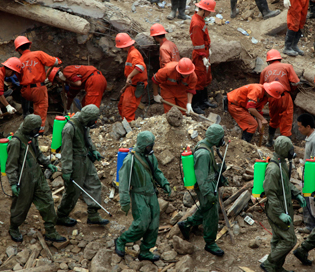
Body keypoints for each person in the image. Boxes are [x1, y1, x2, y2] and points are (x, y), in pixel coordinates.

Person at [6, 114, 65, 243]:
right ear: (30, 128)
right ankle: (14, 227)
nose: (38, 131)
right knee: (21, 206)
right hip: (24, 179)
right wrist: (13, 183)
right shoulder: (16, 142)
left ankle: (51, 231)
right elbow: (11, 166)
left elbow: (37, 153)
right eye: (36, 129)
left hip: (37, 176)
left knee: (47, 201)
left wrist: (47, 163)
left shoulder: (31, 137)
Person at [116, 131, 171, 261]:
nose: (150, 149)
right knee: (141, 224)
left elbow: (156, 171)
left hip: (151, 194)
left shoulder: (150, 156)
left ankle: (145, 250)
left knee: (153, 224)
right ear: (142, 145)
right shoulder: (130, 160)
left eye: (151, 146)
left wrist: (164, 183)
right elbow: (123, 183)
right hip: (138, 195)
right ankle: (121, 240)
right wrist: (124, 202)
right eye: (148, 146)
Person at [56, 105, 109, 226]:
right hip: (75, 162)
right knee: (72, 191)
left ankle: (93, 214)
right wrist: (67, 170)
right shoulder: (69, 128)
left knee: (94, 183)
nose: (94, 122)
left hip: (86, 158)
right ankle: (62, 215)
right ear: (87, 118)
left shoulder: (84, 123)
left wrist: (93, 150)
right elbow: (66, 151)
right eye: (93, 120)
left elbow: (87, 138)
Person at [178, 124, 226, 257]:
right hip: (206, 186)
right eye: (221, 137)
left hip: (210, 183)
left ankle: (187, 224)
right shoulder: (203, 153)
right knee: (212, 214)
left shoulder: (206, 146)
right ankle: (210, 243)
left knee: (205, 207)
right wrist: (209, 194)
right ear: (216, 138)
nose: (223, 140)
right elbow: (202, 178)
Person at [261, 136, 307, 272]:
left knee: (278, 237)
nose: (291, 151)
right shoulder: (273, 169)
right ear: (283, 150)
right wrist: (279, 213)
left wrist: (296, 194)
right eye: (289, 149)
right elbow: (271, 193)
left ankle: (276, 267)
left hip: (284, 206)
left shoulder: (282, 164)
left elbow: (286, 184)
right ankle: (269, 263)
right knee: (289, 240)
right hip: (277, 209)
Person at [15, 35, 61, 133]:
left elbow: (19, 78)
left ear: (18, 49)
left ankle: (26, 115)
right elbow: (55, 62)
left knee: (29, 106)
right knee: (41, 108)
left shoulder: (18, 61)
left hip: (25, 91)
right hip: (38, 88)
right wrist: (57, 60)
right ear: (29, 46)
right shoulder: (38, 54)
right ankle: (39, 132)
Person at [260, 49, 300, 146]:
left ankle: (270, 141)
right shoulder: (287, 66)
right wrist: (291, 89)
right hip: (285, 95)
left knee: (274, 119)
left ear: (268, 61)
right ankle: (285, 146)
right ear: (279, 58)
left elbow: (262, 88)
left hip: (272, 98)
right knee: (286, 121)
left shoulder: (264, 71)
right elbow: (296, 82)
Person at [190, 0, 217, 111]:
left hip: (204, 53)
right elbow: (197, 44)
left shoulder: (200, 19)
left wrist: (207, 50)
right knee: (199, 79)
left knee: (205, 77)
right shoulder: (196, 23)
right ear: (204, 10)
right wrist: (203, 56)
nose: (210, 13)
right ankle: (196, 105)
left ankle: (204, 101)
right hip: (200, 56)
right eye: (209, 11)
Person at [297, 113, 315, 232]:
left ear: (308, 126)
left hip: (311, 174)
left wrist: (309, 177)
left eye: (300, 127)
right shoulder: (311, 137)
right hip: (307, 172)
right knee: (307, 199)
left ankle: (311, 225)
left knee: (309, 199)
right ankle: (309, 223)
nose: (299, 129)